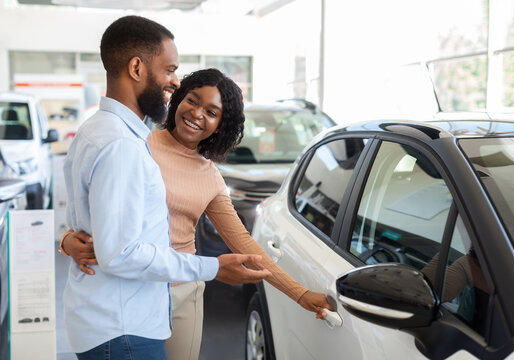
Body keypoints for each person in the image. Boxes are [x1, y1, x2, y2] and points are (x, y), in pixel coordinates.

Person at [62, 68, 334, 359]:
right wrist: (67, 240)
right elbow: (91, 200)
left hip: (182, 292)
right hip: (129, 292)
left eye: (211, 111)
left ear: (220, 125)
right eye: (192, 100)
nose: (197, 113)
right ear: (178, 99)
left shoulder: (210, 177)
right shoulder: (137, 145)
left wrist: (299, 293)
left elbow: (243, 242)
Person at [62, 16, 273, 360]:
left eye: (212, 112)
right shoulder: (123, 146)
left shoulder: (99, 130)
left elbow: (93, 223)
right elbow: (122, 254)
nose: (174, 81)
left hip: (114, 320)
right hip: (123, 328)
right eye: (170, 69)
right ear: (136, 68)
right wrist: (214, 267)